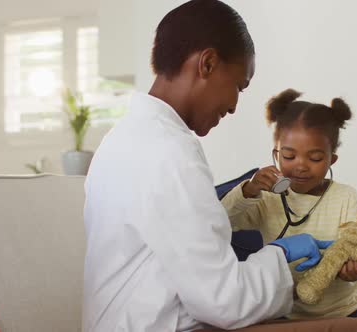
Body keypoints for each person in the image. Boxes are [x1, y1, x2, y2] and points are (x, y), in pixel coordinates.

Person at [82, 1, 333, 331]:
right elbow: (225, 301)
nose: (232, 106)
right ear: (208, 63)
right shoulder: (169, 152)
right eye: (238, 87)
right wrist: (280, 255)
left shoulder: (122, 139)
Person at [221, 88, 357, 320]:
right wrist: (249, 189)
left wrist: (356, 271)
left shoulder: (349, 199)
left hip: (341, 312)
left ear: (331, 159)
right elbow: (220, 221)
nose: (301, 166)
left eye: (315, 158)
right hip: (282, 314)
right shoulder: (266, 197)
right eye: (289, 156)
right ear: (276, 153)